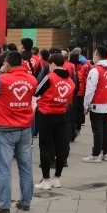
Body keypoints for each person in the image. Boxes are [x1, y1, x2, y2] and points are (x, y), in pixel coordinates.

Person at [0, 51, 36, 213]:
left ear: (7, 64)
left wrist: (0, 73)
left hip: (5, 128)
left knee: (3, 168)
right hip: (25, 127)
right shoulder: (32, 79)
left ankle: (3, 205)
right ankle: (25, 201)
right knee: (26, 166)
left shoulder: (1, 79)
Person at [34, 52, 75, 189]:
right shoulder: (70, 81)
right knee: (60, 147)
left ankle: (46, 179)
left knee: (45, 147)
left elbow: (37, 91)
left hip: (45, 114)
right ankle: (57, 177)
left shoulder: (50, 77)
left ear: (52, 64)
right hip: (61, 114)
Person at [82, 46, 107, 163]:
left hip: (97, 103)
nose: (93, 56)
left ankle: (96, 154)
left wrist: (85, 105)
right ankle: (106, 153)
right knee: (106, 129)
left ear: (97, 56)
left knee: (97, 130)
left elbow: (90, 90)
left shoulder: (95, 70)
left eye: (94, 54)